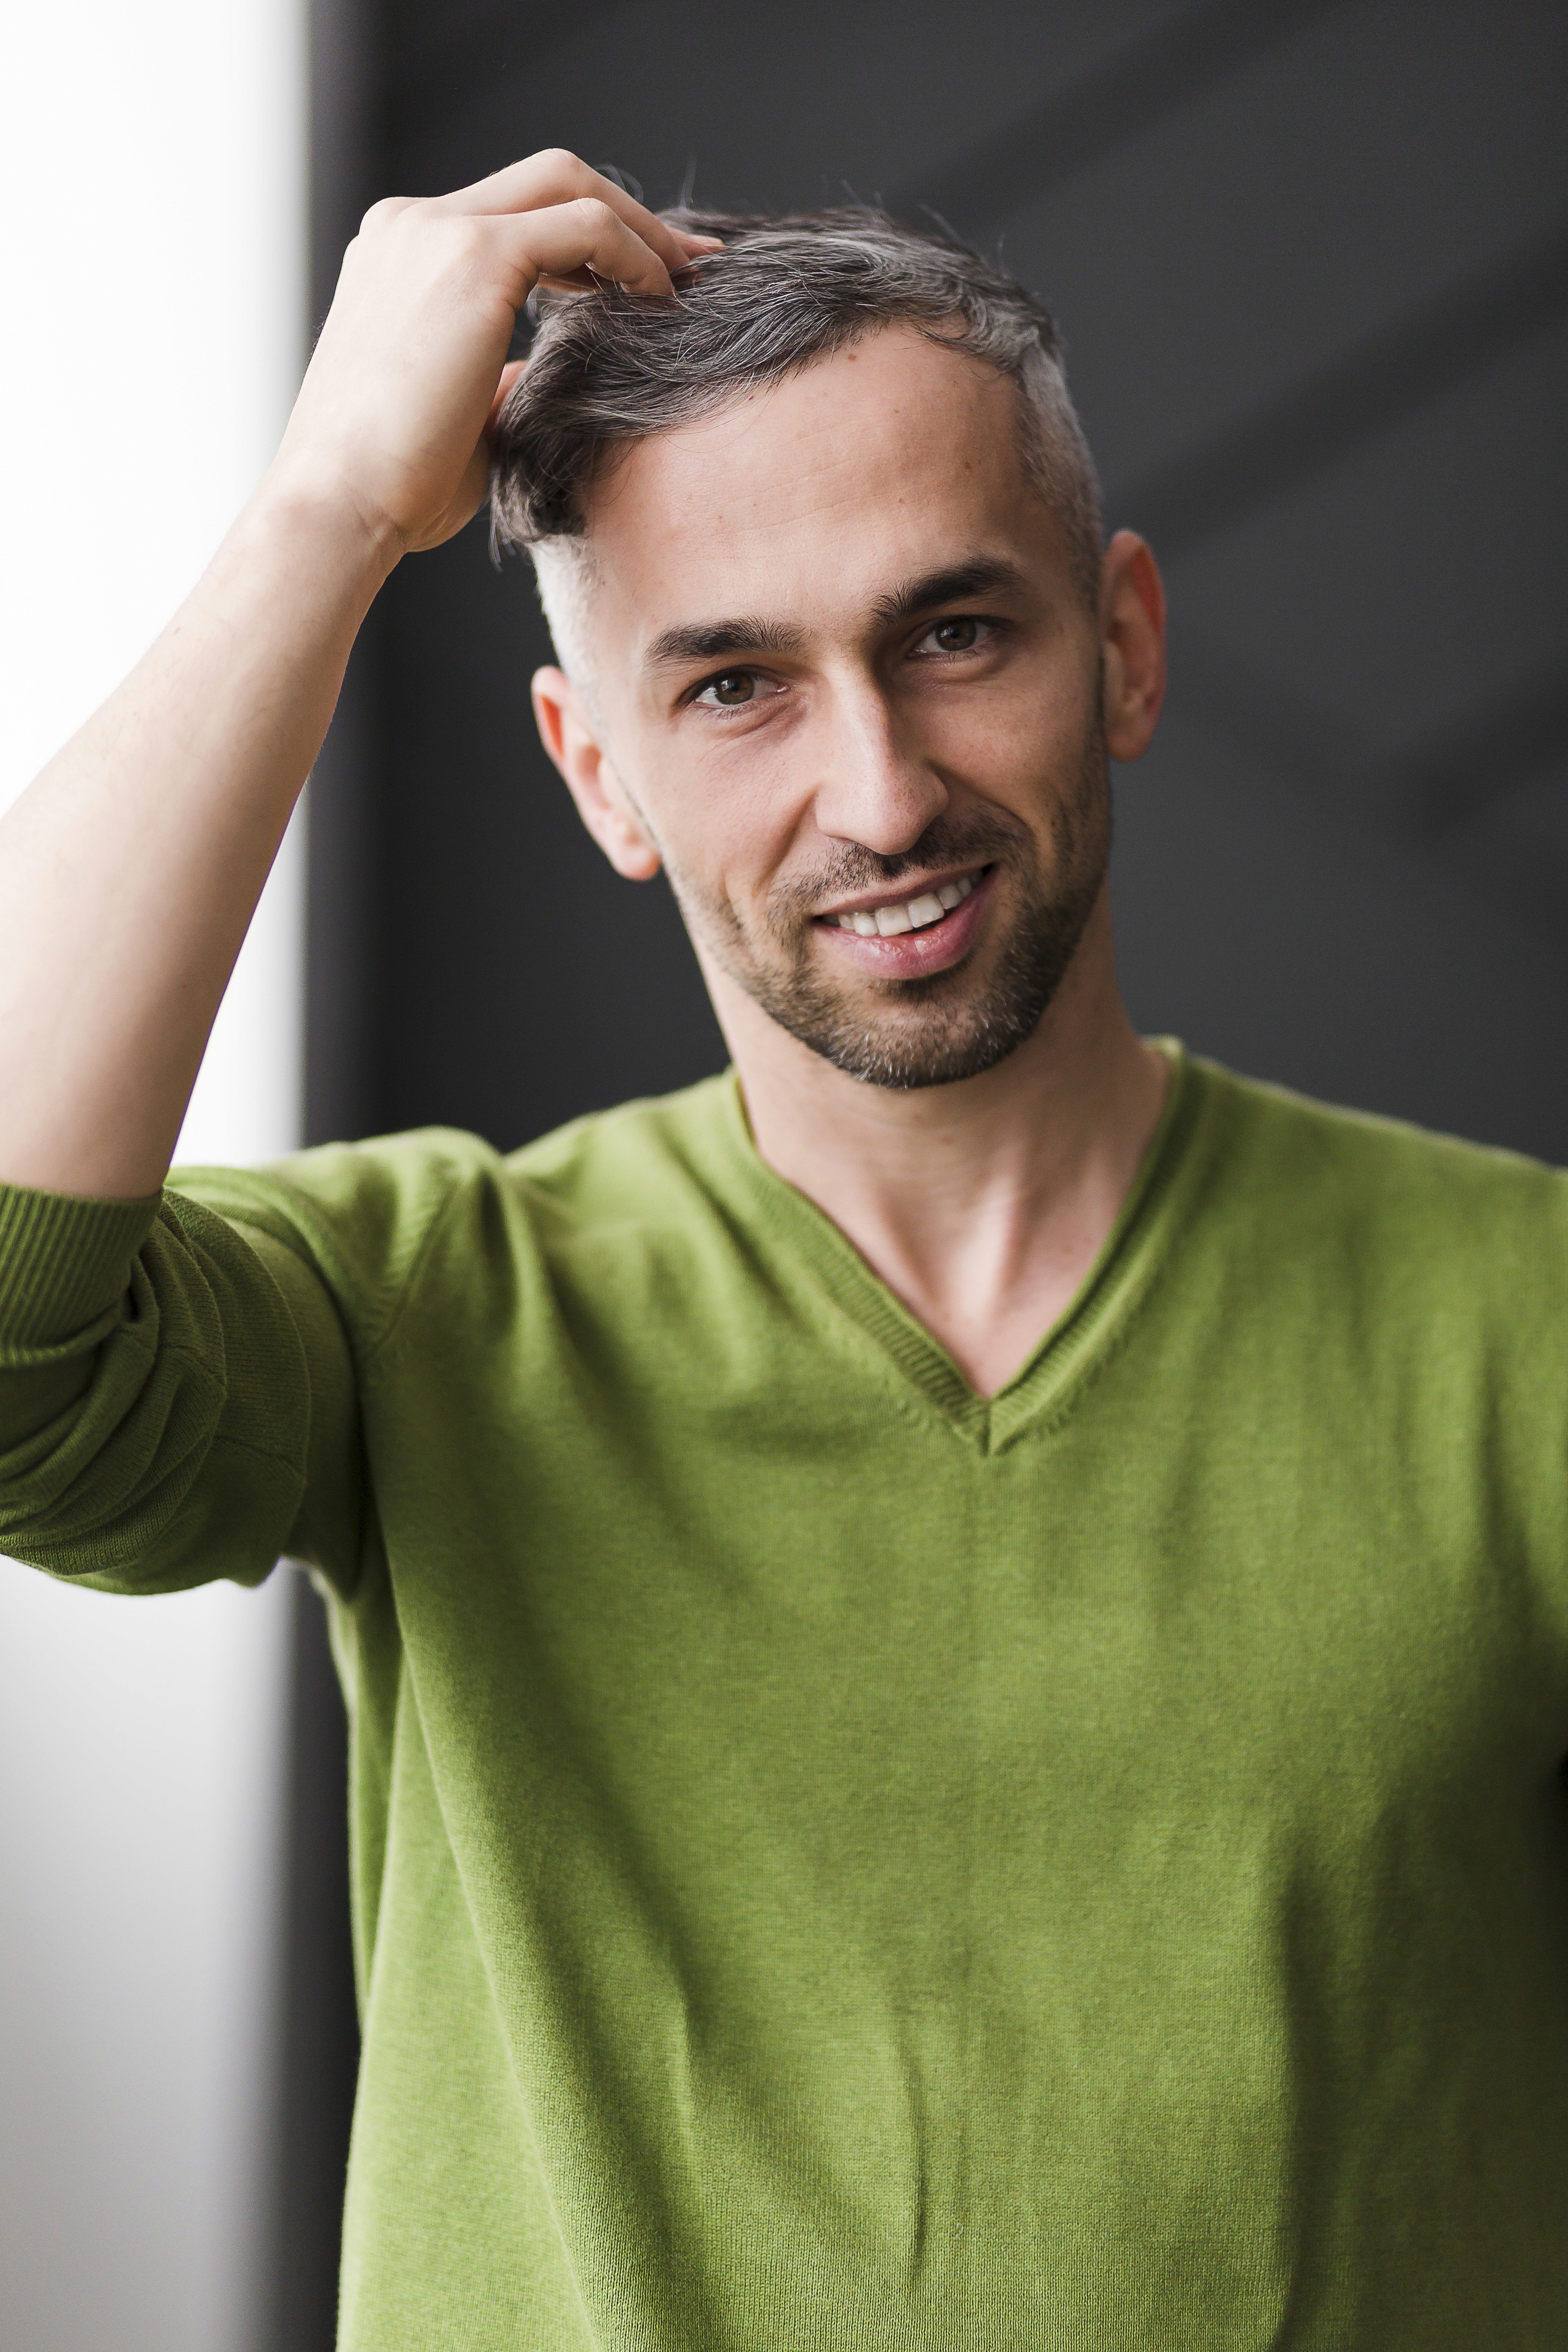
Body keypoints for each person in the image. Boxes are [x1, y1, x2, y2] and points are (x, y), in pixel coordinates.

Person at [0, 147, 1564, 2351]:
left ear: (1120, 643)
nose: (886, 790)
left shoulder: (1527, 1332)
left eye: (952, 632)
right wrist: (323, 517)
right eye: (733, 685)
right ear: (601, 773)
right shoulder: (432, 1313)